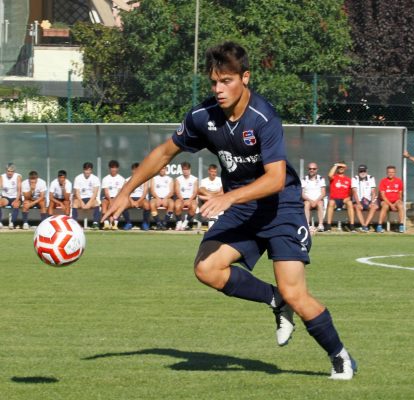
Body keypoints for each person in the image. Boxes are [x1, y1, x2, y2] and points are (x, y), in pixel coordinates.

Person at [102, 41, 356, 379]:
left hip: (281, 208)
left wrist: (229, 198)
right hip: (241, 207)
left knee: (297, 293)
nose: (219, 90)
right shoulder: (201, 117)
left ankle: (339, 355)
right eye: (213, 82)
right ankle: (274, 299)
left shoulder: (264, 118)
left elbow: (276, 178)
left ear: (245, 78)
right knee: (206, 268)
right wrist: (125, 191)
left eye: (227, 81)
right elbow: (164, 153)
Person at [325, 161, 354, 232]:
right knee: (331, 202)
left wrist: (349, 198)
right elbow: (329, 175)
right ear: (337, 168)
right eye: (339, 167)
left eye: (342, 167)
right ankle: (328, 226)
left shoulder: (348, 180)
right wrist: (336, 165)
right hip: (335, 200)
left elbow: (351, 192)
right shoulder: (334, 177)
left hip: (344, 201)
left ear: (345, 168)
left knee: (350, 203)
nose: (341, 168)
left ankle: (352, 226)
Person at [376, 165, 405, 233]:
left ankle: (401, 225)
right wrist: (391, 205)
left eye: (392, 172)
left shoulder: (399, 181)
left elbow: (400, 194)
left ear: (395, 173)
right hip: (385, 201)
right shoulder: (383, 181)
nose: (391, 173)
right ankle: (379, 226)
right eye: (389, 172)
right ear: (387, 173)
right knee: (385, 206)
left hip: (396, 201)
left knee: (400, 205)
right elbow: (383, 196)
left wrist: (396, 203)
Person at [72, 162, 101, 229]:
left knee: (97, 203)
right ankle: (74, 223)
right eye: (86, 170)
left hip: (91, 199)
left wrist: (89, 203)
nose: (87, 172)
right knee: (75, 203)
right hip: (80, 199)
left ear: (91, 170)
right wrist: (81, 202)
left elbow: (95, 193)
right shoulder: (78, 178)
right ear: (83, 170)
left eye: (89, 170)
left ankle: (95, 223)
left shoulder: (95, 178)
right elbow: (77, 192)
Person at [123, 162, 151, 231]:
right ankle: (128, 223)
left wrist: (139, 201)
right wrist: (132, 201)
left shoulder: (145, 179)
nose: (136, 171)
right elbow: (125, 193)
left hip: (141, 199)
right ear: (132, 170)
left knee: (147, 205)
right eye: (134, 169)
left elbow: (145, 192)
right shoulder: (127, 180)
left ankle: (145, 223)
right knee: (123, 205)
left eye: (137, 169)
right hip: (130, 199)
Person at [351, 164, 378, 232]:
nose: (362, 172)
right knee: (357, 207)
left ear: (366, 171)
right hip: (358, 200)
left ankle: (365, 225)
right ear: (358, 171)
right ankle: (363, 225)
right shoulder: (354, 178)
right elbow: (354, 192)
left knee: (374, 206)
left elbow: (373, 192)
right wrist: (358, 203)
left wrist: (372, 202)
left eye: (364, 171)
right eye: (361, 171)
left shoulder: (371, 178)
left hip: (368, 200)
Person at [301, 162, 326, 232]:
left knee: (320, 203)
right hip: (308, 200)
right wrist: (310, 200)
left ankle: (320, 225)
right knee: (306, 204)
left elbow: (323, 193)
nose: (312, 170)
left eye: (314, 169)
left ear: (317, 169)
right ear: (308, 169)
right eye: (310, 169)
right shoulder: (304, 179)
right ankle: (307, 225)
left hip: (318, 200)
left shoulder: (321, 179)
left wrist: (316, 201)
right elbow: (302, 194)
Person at [198, 164, 224, 230]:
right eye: (212, 171)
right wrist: (215, 194)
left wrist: (210, 195)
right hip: (208, 201)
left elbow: (222, 192)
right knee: (203, 196)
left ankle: (213, 221)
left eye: (215, 172)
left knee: (208, 198)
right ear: (209, 171)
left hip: (217, 201)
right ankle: (212, 221)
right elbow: (201, 190)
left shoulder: (220, 180)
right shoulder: (204, 181)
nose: (214, 173)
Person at [174, 161, 199, 231]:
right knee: (177, 206)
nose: (185, 171)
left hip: (191, 199)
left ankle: (185, 222)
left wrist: (189, 200)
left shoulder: (194, 179)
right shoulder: (178, 179)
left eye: (187, 169)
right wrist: (182, 200)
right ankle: (179, 222)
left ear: (190, 169)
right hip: (181, 198)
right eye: (184, 169)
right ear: (182, 170)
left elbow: (195, 192)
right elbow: (177, 191)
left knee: (194, 207)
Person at [101, 160, 126, 230]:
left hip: (117, 198)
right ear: (109, 169)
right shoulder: (105, 179)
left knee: (117, 205)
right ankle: (106, 224)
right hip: (107, 198)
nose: (113, 169)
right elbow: (106, 192)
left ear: (117, 169)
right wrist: (110, 200)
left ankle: (115, 224)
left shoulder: (121, 179)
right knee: (104, 204)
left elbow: (120, 192)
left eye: (115, 168)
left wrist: (114, 200)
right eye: (112, 168)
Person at [0, 163, 22, 229]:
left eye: (11, 171)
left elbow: (19, 190)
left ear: (14, 171)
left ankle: (12, 223)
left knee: (16, 205)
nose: (10, 173)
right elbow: (0, 188)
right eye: (8, 171)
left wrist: (16, 200)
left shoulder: (18, 177)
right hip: (6, 196)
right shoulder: (2, 177)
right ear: (6, 171)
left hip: (16, 196)